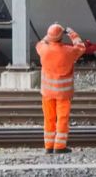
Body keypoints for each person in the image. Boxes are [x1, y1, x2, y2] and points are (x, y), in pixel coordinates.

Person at [36, 23, 86, 154]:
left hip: (47, 92)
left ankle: (48, 145)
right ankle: (59, 147)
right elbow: (81, 47)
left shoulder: (43, 49)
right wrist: (71, 33)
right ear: (61, 38)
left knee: (49, 119)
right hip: (63, 93)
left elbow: (40, 42)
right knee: (62, 119)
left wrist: (49, 35)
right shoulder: (68, 51)